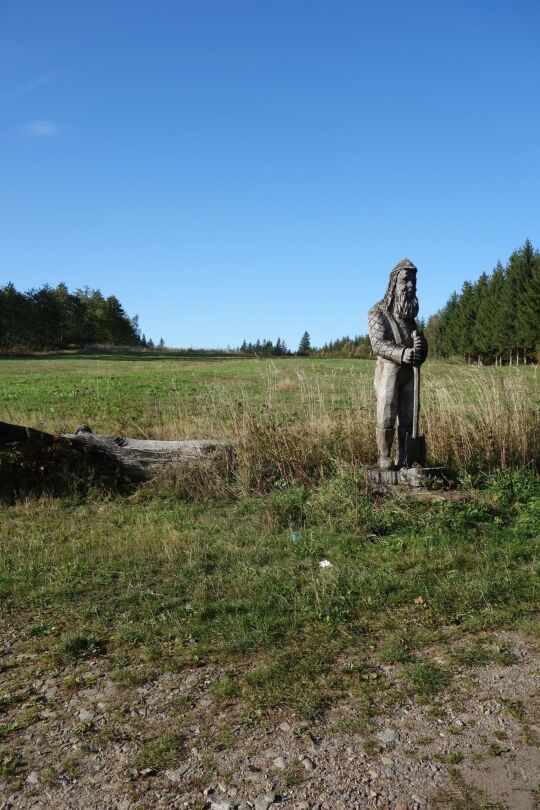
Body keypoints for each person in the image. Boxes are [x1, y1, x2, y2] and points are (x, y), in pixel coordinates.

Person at [367, 258, 428, 469]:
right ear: (394, 283)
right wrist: (403, 353)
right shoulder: (377, 312)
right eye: (405, 280)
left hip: (409, 373)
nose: (411, 286)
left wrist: (421, 346)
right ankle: (384, 456)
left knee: (409, 416)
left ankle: (405, 457)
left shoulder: (409, 317)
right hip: (388, 372)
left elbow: (419, 351)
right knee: (386, 413)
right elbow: (378, 344)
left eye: (414, 281)